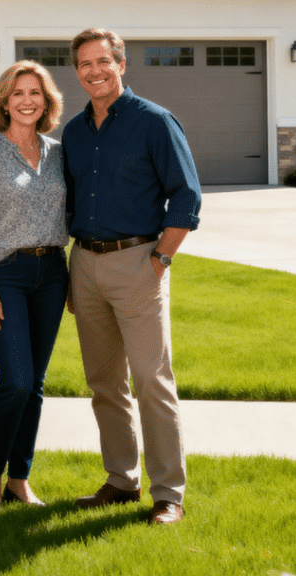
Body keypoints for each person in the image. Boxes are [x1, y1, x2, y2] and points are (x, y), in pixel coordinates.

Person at [61, 28, 200, 526]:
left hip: (138, 261)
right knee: (103, 380)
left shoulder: (154, 122)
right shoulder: (74, 132)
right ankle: (121, 481)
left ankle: (168, 493)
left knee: (150, 378)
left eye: (103, 61)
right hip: (86, 263)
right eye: (84, 64)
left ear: (121, 64)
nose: (94, 71)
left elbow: (186, 198)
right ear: (76, 72)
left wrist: (160, 259)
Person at [0, 60, 69, 508]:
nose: (27, 101)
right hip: (6, 275)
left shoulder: (59, 153)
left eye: (36, 93)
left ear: (47, 102)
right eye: (18, 93)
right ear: (4, 101)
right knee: (16, 380)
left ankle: (19, 478)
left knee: (36, 382)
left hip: (53, 274)